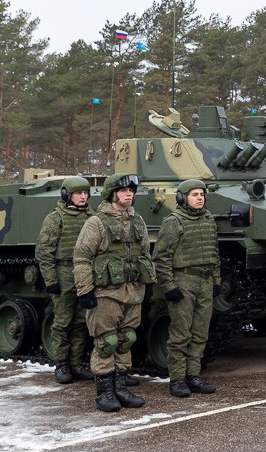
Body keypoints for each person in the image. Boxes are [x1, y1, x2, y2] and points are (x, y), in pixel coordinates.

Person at [73, 173, 155, 413]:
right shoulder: (96, 222)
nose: (129, 194)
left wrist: (147, 283)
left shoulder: (137, 220)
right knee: (106, 341)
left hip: (132, 291)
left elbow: (144, 254)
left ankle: (121, 387)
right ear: (112, 194)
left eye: (131, 190)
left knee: (126, 339)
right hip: (106, 292)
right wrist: (85, 290)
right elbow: (81, 257)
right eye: (123, 190)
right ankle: (105, 392)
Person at [153, 178, 221, 398]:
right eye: (194, 195)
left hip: (205, 281)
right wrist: (169, 286)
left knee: (200, 332)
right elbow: (161, 257)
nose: (199, 198)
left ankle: (193, 375)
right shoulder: (174, 221)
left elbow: (215, 254)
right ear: (183, 198)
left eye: (202, 194)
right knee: (181, 334)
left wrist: (217, 281)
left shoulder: (209, 219)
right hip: (184, 281)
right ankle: (178, 379)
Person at [35, 176, 96, 384]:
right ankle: (61, 364)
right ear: (67, 195)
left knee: (81, 321)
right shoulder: (56, 218)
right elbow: (44, 252)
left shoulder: (92, 217)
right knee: (62, 322)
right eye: (78, 193)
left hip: (85, 273)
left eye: (85, 193)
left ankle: (77, 363)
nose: (83, 196)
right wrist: (51, 280)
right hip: (64, 273)